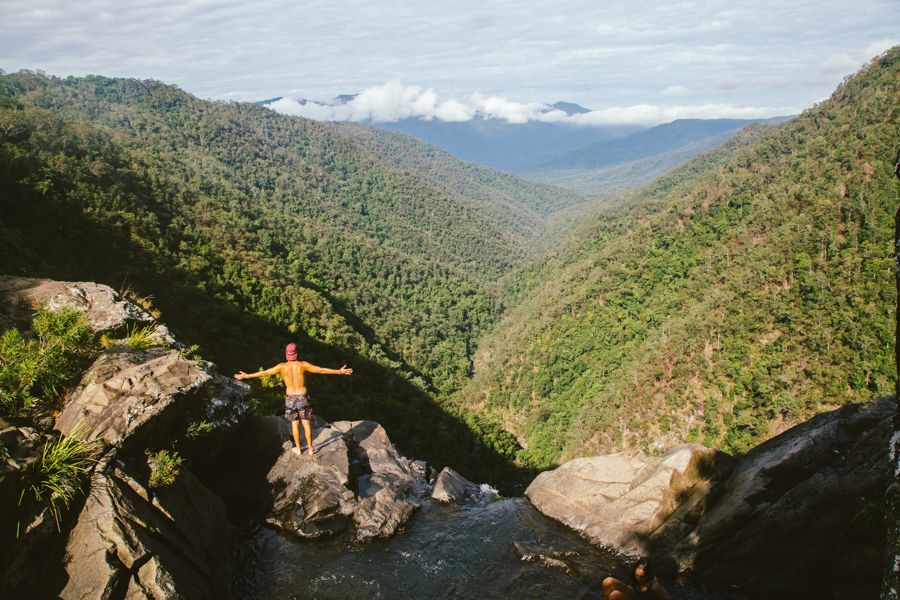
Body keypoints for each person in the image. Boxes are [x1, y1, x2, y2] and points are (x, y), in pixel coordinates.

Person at [234, 343, 352, 456]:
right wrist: (339, 371)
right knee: (306, 424)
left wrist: (247, 375)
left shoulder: (282, 367)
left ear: (287, 354)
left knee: (294, 424)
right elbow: (321, 370)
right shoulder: (303, 365)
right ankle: (311, 449)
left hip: (290, 398)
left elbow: (264, 373)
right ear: (296, 353)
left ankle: (299, 449)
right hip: (302, 398)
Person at [602, 559, 671, 600]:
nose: (639, 578)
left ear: (648, 575)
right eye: (637, 575)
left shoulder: (654, 586)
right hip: (633, 595)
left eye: (642, 576)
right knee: (608, 581)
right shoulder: (633, 577)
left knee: (614, 595)